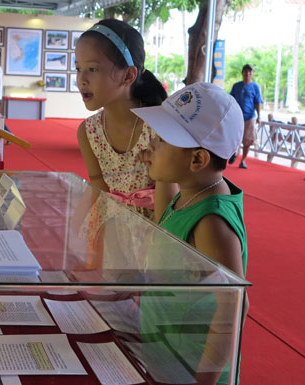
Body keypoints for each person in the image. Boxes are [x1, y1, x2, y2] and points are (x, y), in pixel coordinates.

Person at [132, 82, 248, 384]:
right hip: (167, 353)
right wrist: (159, 171)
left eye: (161, 139)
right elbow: (164, 221)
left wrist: (205, 378)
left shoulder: (211, 221)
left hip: (191, 367)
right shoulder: (190, 192)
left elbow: (234, 304)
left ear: (197, 160)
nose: (151, 145)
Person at [75, 18, 167, 218]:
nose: (81, 79)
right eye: (78, 68)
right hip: (112, 233)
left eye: (92, 69)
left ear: (128, 75)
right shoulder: (88, 133)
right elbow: (98, 193)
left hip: (156, 237)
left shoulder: (159, 130)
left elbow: (169, 204)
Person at [229, 64, 263, 169]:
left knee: (247, 141)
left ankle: (243, 160)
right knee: (234, 138)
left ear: (252, 74)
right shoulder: (236, 86)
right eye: (245, 71)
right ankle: (234, 153)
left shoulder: (255, 87)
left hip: (250, 117)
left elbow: (258, 102)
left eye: (249, 72)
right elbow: (231, 100)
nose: (247, 73)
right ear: (242, 73)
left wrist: (259, 116)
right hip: (236, 117)